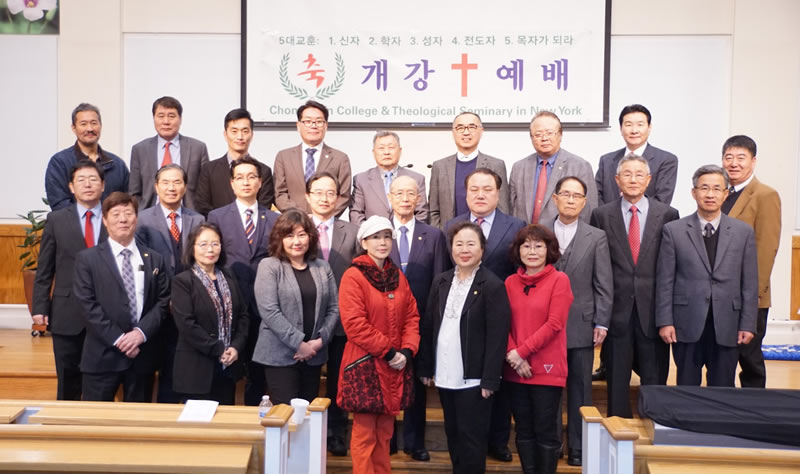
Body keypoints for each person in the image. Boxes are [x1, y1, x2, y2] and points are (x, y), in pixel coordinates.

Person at [444, 167, 525, 462]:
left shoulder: (515, 226)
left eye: (487, 189)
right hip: (462, 323)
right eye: (474, 189)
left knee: (496, 378)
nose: (480, 195)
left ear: (498, 193)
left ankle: (498, 440)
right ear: (465, 194)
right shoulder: (452, 225)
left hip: (499, 315)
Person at [590, 154, 679, 418]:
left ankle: (654, 429)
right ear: (617, 180)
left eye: (639, 175)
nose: (633, 180)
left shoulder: (668, 214)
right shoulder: (601, 215)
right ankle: (617, 431)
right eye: (627, 174)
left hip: (653, 311)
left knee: (654, 379)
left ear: (648, 180)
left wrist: (667, 315)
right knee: (616, 382)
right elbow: (598, 266)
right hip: (616, 311)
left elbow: (671, 266)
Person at [418, 221, 510, 474]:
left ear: (482, 249)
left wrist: (490, 379)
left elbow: (497, 337)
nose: (464, 249)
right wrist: (426, 366)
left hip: (474, 378)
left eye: (471, 244)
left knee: (472, 440)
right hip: (445, 373)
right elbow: (429, 325)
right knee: (454, 434)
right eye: (459, 244)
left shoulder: (492, 285)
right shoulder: (441, 281)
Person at [656, 165, 757, 387]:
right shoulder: (673, 230)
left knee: (723, 390)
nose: (710, 194)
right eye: (704, 188)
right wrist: (665, 321)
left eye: (716, 189)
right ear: (694, 193)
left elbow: (749, 284)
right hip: (686, 322)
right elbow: (665, 281)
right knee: (687, 388)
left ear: (725, 194)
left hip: (727, 323)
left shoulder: (743, 232)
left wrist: (748, 323)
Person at [337, 216, 420, 474]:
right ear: (364, 242)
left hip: (395, 366)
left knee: (385, 434)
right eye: (375, 237)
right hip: (365, 364)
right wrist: (389, 352)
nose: (382, 242)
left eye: (386, 237)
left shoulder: (398, 276)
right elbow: (354, 324)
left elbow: (412, 317)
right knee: (364, 435)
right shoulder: (353, 276)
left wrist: (407, 350)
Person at [72, 192, 170, 402]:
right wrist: (119, 339)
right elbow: (86, 305)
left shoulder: (154, 259)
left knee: (139, 419)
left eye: (128, 213)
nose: (123, 219)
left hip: (142, 355)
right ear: (105, 220)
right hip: (102, 356)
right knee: (95, 419)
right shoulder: (87, 259)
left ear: (136, 218)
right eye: (116, 214)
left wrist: (140, 334)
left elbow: (162, 302)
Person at [545, 176, 613, 466]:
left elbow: (604, 283)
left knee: (581, 388)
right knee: (547, 390)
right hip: (544, 326)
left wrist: (602, 321)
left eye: (577, 196)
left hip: (582, 324)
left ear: (585, 202)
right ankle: (550, 445)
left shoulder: (596, 237)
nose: (571, 200)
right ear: (555, 198)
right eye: (566, 194)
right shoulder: (538, 231)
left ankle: (578, 446)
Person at [32, 161, 108, 400]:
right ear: (71, 187)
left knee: (101, 380)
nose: (88, 184)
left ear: (103, 185)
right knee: (68, 380)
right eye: (81, 180)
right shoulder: (56, 220)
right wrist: (40, 307)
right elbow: (45, 268)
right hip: (67, 311)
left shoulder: (115, 216)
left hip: (107, 311)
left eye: (93, 179)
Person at [387, 176, 451, 461]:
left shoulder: (433, 235)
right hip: (385, 323)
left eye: (410, 193)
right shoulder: (379, 232)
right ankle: (387, 439)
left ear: (418, 199)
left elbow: (439, 280)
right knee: (386, 382)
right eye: (399, 193)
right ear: (389, 197)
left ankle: (415, 442)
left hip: (420, 321)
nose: (404, 198)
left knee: (416, 386)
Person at [208, 156, 280, 405]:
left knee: (258, 373)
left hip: (264, 305)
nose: (246, 182)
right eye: (240, 177)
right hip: (230, 303)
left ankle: (256, 419)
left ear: (260, 182)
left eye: (251, 177)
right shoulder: (217, 217)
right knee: (227, 370)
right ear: (232, 183)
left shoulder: (274, 219)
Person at [505, 224, 573, 474]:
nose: (532, 251)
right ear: (518, 250)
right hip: (515, 369)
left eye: (538, 246)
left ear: (549, 250)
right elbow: (502, 323)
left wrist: (521, 353)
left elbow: (555, 324)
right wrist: (514, 355)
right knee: (523, 430)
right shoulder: (510, 282)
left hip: (546, 368)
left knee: (545, 431)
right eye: (526, 246)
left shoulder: (559, 280)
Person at [253, 210, 339, 405]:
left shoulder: (322, 267)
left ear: (310, 237)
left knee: (309, 414)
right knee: (286, 415)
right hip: (280, 356)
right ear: (280, 239)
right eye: (289, 236)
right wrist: (300, 344)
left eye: (302, 235)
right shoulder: (269, 266)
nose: (297, 241)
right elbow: (269, 311)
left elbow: (334, 307)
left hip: (313, 356)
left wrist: (319, 342)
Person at [135, 163, 205, 403]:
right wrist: (166, 296)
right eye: (165, 182)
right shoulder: (142, 220)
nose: (171, 188)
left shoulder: (198, 219)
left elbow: (201, 262)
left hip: (189, 304)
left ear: (185, 187)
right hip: (155, 303)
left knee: (181, 362)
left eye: (177, 182)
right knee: (153, 362)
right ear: (156, 187)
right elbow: (141, 264)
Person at [720, 135, 781, 388]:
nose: (734, 163)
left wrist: (754, 294)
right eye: (728, 157)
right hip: (721, 295)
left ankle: (755, 406)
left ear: (753, 161)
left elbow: (766, 249)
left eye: (741, 158)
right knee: (722, 359)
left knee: (750, 358)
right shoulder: (720, 193)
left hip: (750, 295)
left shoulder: (765, 195)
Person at [305, 172, 360, 456]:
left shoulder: (352, 231)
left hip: (342, 321)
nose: (324, 198)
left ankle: (336, 432)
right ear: (308, 196)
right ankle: (307, 433)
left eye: (330, 193)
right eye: (318, 192)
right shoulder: (297, 227)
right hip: (306, 320)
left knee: (340, 380)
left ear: (339, 198)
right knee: (308, 381)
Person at [170, 223, 249, 404]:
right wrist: (219, 349)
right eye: (203, 244)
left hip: (228, 366)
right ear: (192, 248)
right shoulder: (183, 281)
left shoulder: (229, 276)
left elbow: (243, 315)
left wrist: (236, 346)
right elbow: (186, 325)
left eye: (215, 244)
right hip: (196, 369)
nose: (210, 250)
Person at [509, 111, 597, 225]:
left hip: (564, 234)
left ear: (560, 135)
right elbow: (511, 208)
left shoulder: (580, 166)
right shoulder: (519, 167)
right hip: (525, 234)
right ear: (531, 138)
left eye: (550, 133)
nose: (544, 138)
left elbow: (588, 210)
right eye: (538, 134)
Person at [429, 112, 510, 229]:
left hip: (485, 235)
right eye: (460, 128)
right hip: (449, 235)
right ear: (453, 132)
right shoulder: (439, 167)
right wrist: (441, 235)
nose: (466, 132)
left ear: (481, 131)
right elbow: (433, 210)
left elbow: (503, 209)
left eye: (472, 127)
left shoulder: (496, 165)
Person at [129, 96, 210, 210]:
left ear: (180, 119)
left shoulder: (198, 148)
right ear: (153, 118)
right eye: (161, 116)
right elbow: (134, 192)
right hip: (150, 215)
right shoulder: (140, 150)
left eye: (171, 116)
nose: (166, 121)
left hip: (188, 215)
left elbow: (205, 190)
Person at [273, 100, 352, 216]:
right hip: (294, 221)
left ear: (326, 126)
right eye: (308, 121)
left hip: (326, 222)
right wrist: (301, 218)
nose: (313, 126)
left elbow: (344, 196)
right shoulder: (284, 157)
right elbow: (280, 194)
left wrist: (321, 218)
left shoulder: (340, 158)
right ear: (298, 126)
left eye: (319, 121)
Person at [45, 103, 129, 211]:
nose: (89, 129)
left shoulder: (116, 164)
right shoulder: (60, 162)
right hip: (73, 222)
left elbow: (127, 201)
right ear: (73, 128)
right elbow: (59, 204)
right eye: (83, 124)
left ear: (100, 126)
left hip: (111, 221)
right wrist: (89, 218)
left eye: (94, 123)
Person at [195, 108, 275, 216]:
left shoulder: (264, 171)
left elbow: (264, 207)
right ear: (225, 134)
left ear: (251, 134)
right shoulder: (209, 170)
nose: (240, 137)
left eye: (245, 131)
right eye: (234, 131)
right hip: (217, 226)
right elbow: (202, 206)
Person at [595, 104, 678, 206]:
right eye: (628, 125)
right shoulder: (606, 160)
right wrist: (609, 214)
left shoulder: (666, 160)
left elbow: (662, 200)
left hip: (649, 216)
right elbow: (596, 195)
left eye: (640, 125)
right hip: (608, 216)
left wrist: (633, 213)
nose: (634, 131)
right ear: (621, 129)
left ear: (649, 127)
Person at [350, 130, 428, 226]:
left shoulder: (416, 179)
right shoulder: (361, 180)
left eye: (391, 147)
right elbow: (356, 214)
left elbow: (422, 213)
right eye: (381, 148)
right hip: (373, 234)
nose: (386, 152)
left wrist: (406, 232)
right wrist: (371, 233)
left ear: (400, 151)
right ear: (374, 152)